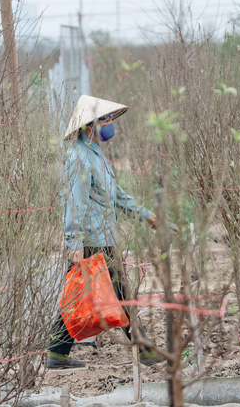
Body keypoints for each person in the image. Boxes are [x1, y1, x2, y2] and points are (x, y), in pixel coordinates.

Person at [47, 95, 175, 369]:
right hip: (91, 240)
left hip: (102, 236)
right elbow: (74, 202)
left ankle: (57, 353)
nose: (110, 124)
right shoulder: (79, 158)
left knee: (83, 294)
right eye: (104, 119)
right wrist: (74, 241)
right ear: (90, 125)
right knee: (114, 292)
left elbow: (117, 197)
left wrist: (149, 217)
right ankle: (144, 349)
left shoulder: (95, 154)